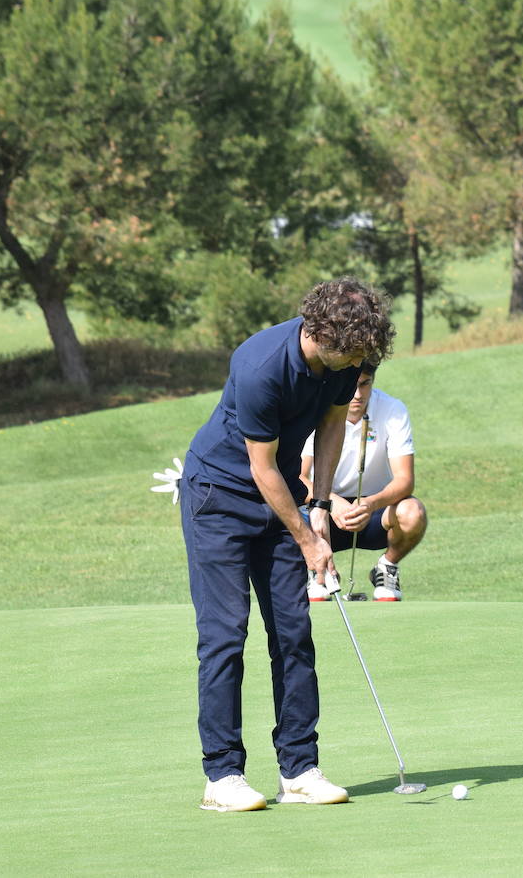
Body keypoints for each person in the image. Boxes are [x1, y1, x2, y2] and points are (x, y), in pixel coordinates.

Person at [177, 277, 394, 812]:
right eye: (356, 352)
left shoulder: (342, 362)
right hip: (218, 498)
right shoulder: (260, 366)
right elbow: (262, 466)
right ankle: (222, 776)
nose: (360, 365)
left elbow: (330, 427)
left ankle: (298, 770)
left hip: (284, 499)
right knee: (225, 635)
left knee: (294, 634)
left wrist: (320, 507)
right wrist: (306, 539)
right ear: (324, 333)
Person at [299, 361, 427, 602]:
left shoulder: (392, 409)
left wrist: (370, 504)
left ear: (373, 381)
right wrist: (331, 503)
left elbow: (405, 480)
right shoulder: (319, 407)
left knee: (413, 512)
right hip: (325, 508)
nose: (357, 395)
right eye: (352, 386)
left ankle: (387, 567)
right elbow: (298, 476)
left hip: (374, 510)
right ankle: (319, 570)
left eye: (364, 384)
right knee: (287, 516)